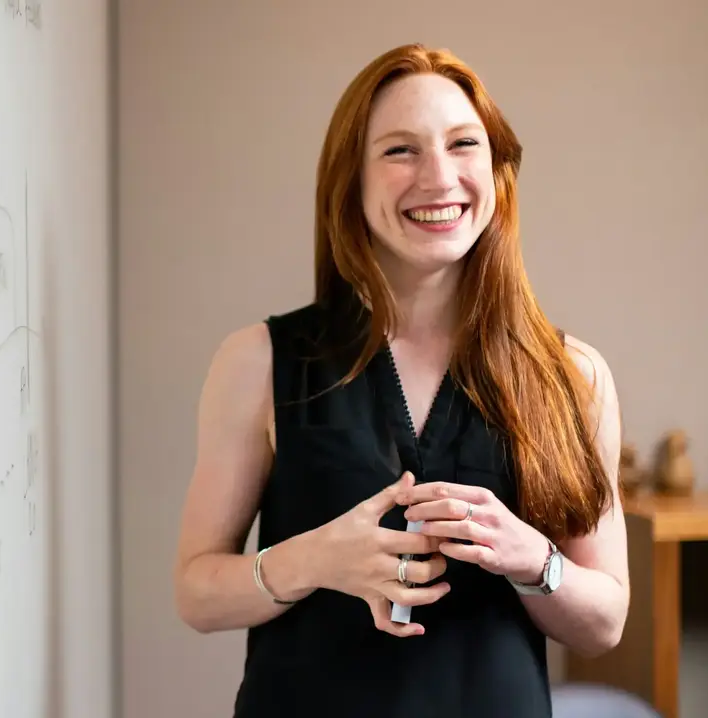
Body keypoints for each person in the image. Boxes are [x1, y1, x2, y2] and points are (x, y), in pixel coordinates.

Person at [173, 44, 628, 718]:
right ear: (350, 182)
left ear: (497, 171)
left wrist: (534, 559)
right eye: (400, 151)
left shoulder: (575, 376)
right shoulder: (257, 362)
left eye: (463, 144)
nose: (439, 177)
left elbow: (605, 623)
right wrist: (313, 560)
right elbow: (196, 594)